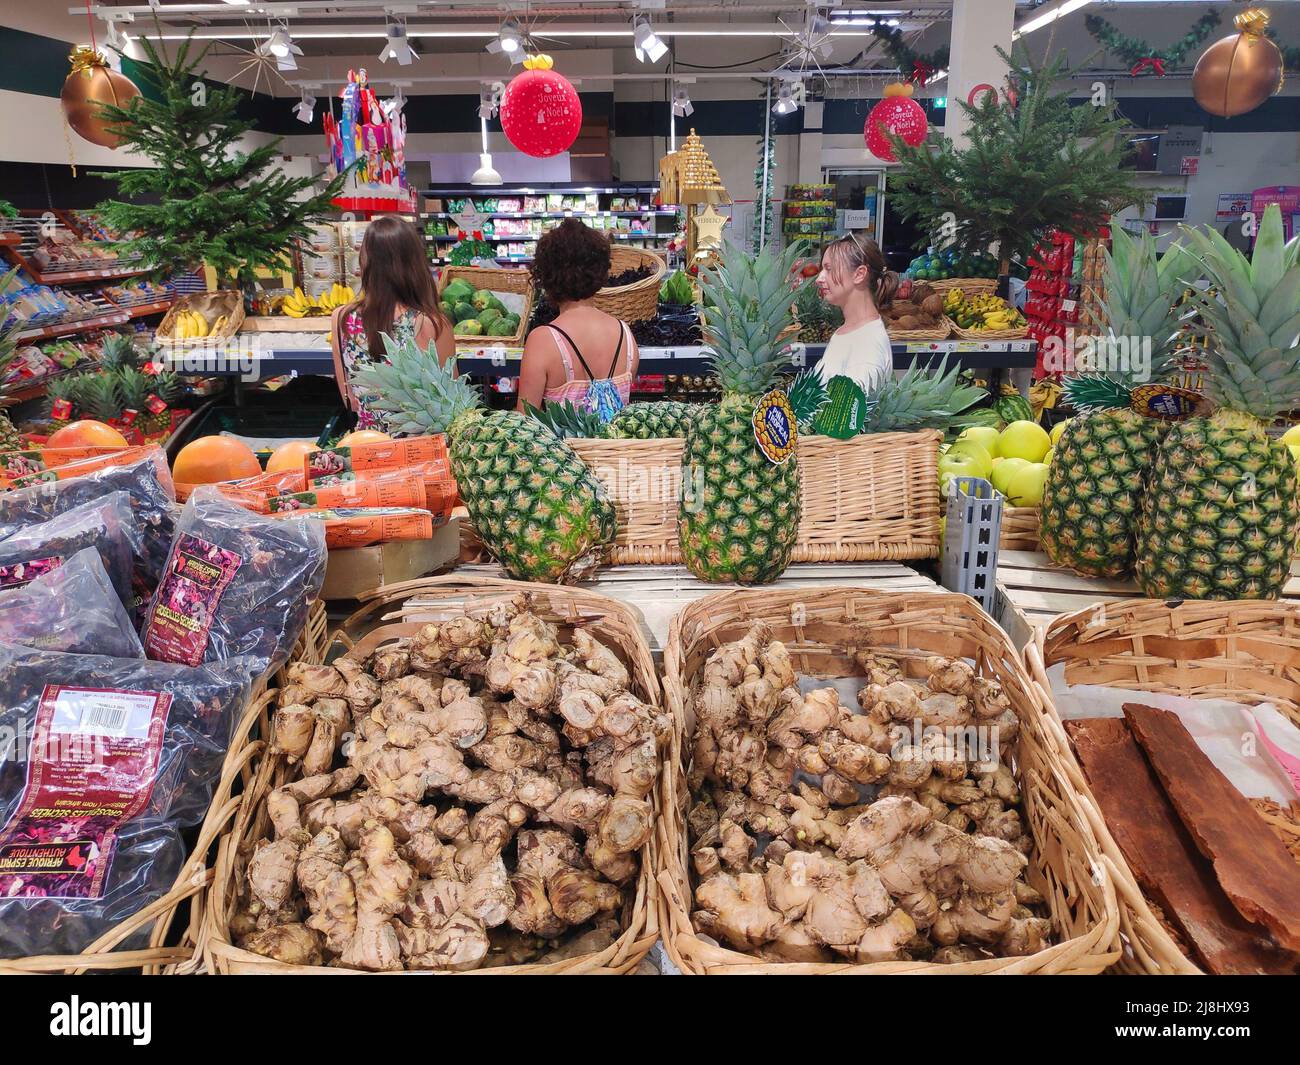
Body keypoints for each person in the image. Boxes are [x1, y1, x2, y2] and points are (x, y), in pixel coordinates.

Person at [330, 215, 455, 432]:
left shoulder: (342, 318)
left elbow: (350, 398)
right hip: (418, 452)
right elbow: (450, 406)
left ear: (364, 261)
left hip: (366, 446)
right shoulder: (430, 323)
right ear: (415, 263)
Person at [517, 218, 638, 419]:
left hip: (562, 450)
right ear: (600, 271)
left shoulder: (543, 340)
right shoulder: (625, 334)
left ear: (546, 275)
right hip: (616, 450)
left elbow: (524, 423)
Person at [815, 232, 898, 393]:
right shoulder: (849, 331)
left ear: (859, 274)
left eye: (829, 269)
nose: (819, 278)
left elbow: (849, 414)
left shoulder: (867, 346)